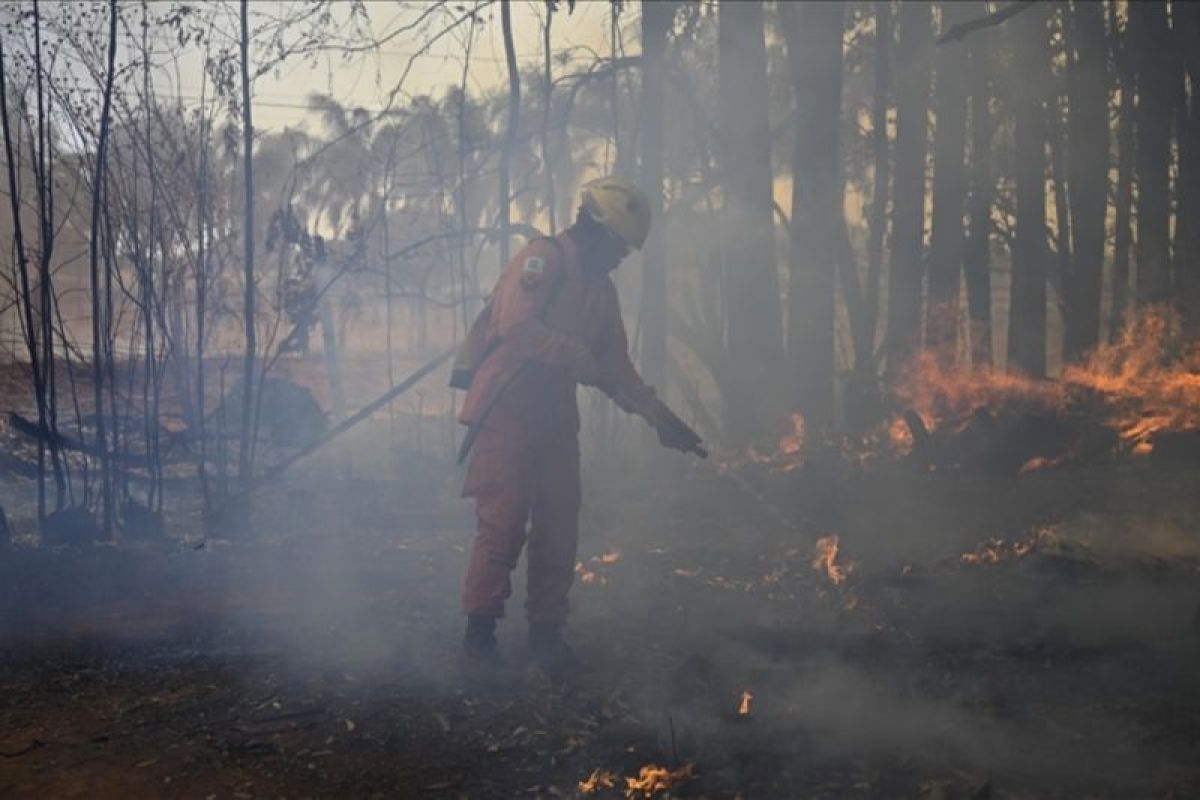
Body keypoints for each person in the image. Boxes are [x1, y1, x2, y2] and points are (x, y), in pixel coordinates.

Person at [456, 176, 705, 675]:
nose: (620, 258)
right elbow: (516, 325)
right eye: (617, 246)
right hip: (505, 411)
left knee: (559, 526)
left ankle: (546, 636)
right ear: (594, 228)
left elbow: (615, 367)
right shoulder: (542, 260)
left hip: (553, 422)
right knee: (503, 523)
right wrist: (571, 353)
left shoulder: (601, 294)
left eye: (626, 251)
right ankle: (479, 637)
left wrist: (660, 418)